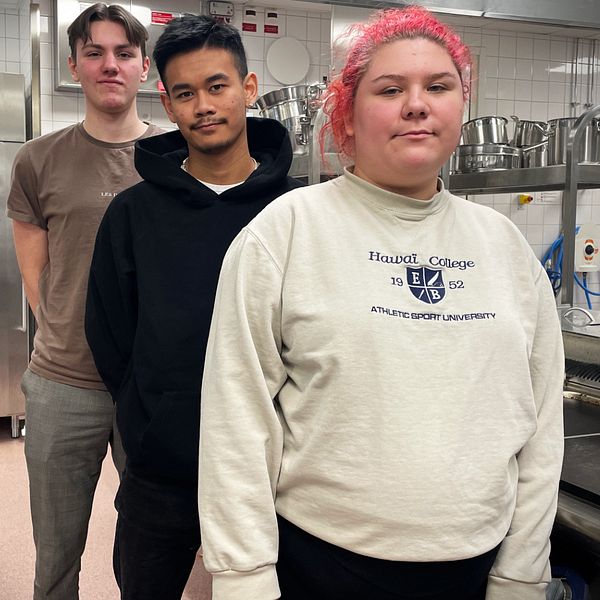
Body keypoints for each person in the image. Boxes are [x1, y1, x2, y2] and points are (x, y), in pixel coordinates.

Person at [198, 6, 564, 600]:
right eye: (390, 89)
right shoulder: (285, 233)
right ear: (346, 113)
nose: (416, 104)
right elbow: (236, 420)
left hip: (474, 567)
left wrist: (522, 569)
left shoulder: (505, 247)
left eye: (438, 87)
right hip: (322, 564)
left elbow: (542, 420)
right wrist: (243, 575)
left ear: (460, 108)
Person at [84, 14, 303, 600]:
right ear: (169, 102)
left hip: (276, 472)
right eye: (185, 93)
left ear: (248, 89)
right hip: (162, 469)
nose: (203, 105)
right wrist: (150, 417)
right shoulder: (132, 214)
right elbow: (110, 335)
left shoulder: (299, 209)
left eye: (217, 86)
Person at [6, 4, 160, 599]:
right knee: (56, 552)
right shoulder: (38, 160)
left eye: (124, 53)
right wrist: (73, 340)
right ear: (74, 65)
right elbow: (36, 279)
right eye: (94, 53)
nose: (110, 65)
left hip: (148, 386)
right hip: (63, 383)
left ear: (144, 68)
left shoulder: (176, 161)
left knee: (147, 551)